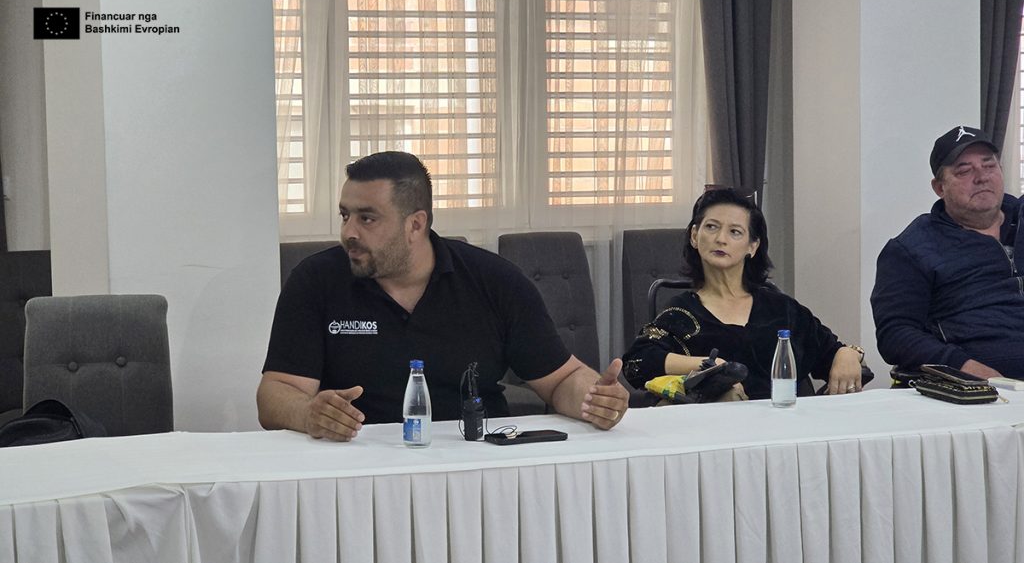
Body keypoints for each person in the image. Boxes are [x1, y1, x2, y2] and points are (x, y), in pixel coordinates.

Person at [257, 151, 628, 441]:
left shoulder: (494, 281)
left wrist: (594, 399)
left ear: (415, 224)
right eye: (345, 216)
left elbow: (561, 379)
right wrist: (309, 414)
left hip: (475, 460)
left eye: (367, 218)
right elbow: (275, 394)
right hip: (358, 461)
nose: (348, 232)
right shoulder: (315, 280)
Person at [622, 188, 865, 400]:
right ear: (695, 236)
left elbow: (830, 352)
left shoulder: (781, 308)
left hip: (787, 426)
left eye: (735, 232)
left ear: (752, 246)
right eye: (711, 227)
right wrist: (711, 367)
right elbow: (636, 363)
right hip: (717, 429)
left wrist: (847, 353)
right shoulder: (681, 313)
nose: (720, 239)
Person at [871, 125, 1024, 378]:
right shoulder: (912, 249)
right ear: (940, 188)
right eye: (964, 171)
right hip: (983, 387)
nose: (982, 177)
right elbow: (895, 334)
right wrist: (961, 366)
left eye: (989, 166)